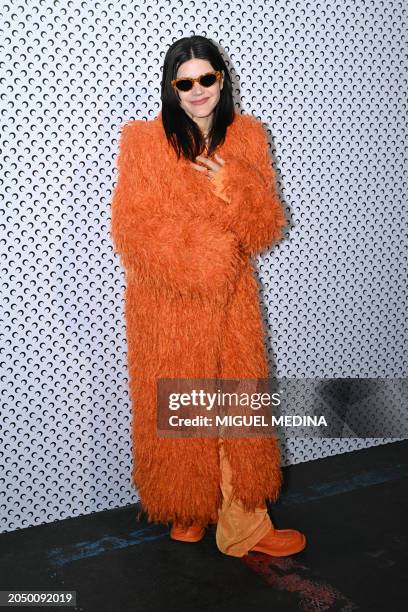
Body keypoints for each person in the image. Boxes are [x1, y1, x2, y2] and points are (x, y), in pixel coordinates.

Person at [110, 35, 306, 558]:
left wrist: (233, 187)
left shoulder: (246, 138)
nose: (197, 91)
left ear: (222, 78)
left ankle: (245, 524)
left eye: (207, 78)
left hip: (229, 301)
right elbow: (133, 229)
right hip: (166, 302)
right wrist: (207, 257)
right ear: (171, 88)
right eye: (185, 82)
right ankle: (188, 508)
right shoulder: (144, 142)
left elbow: (264, 226)